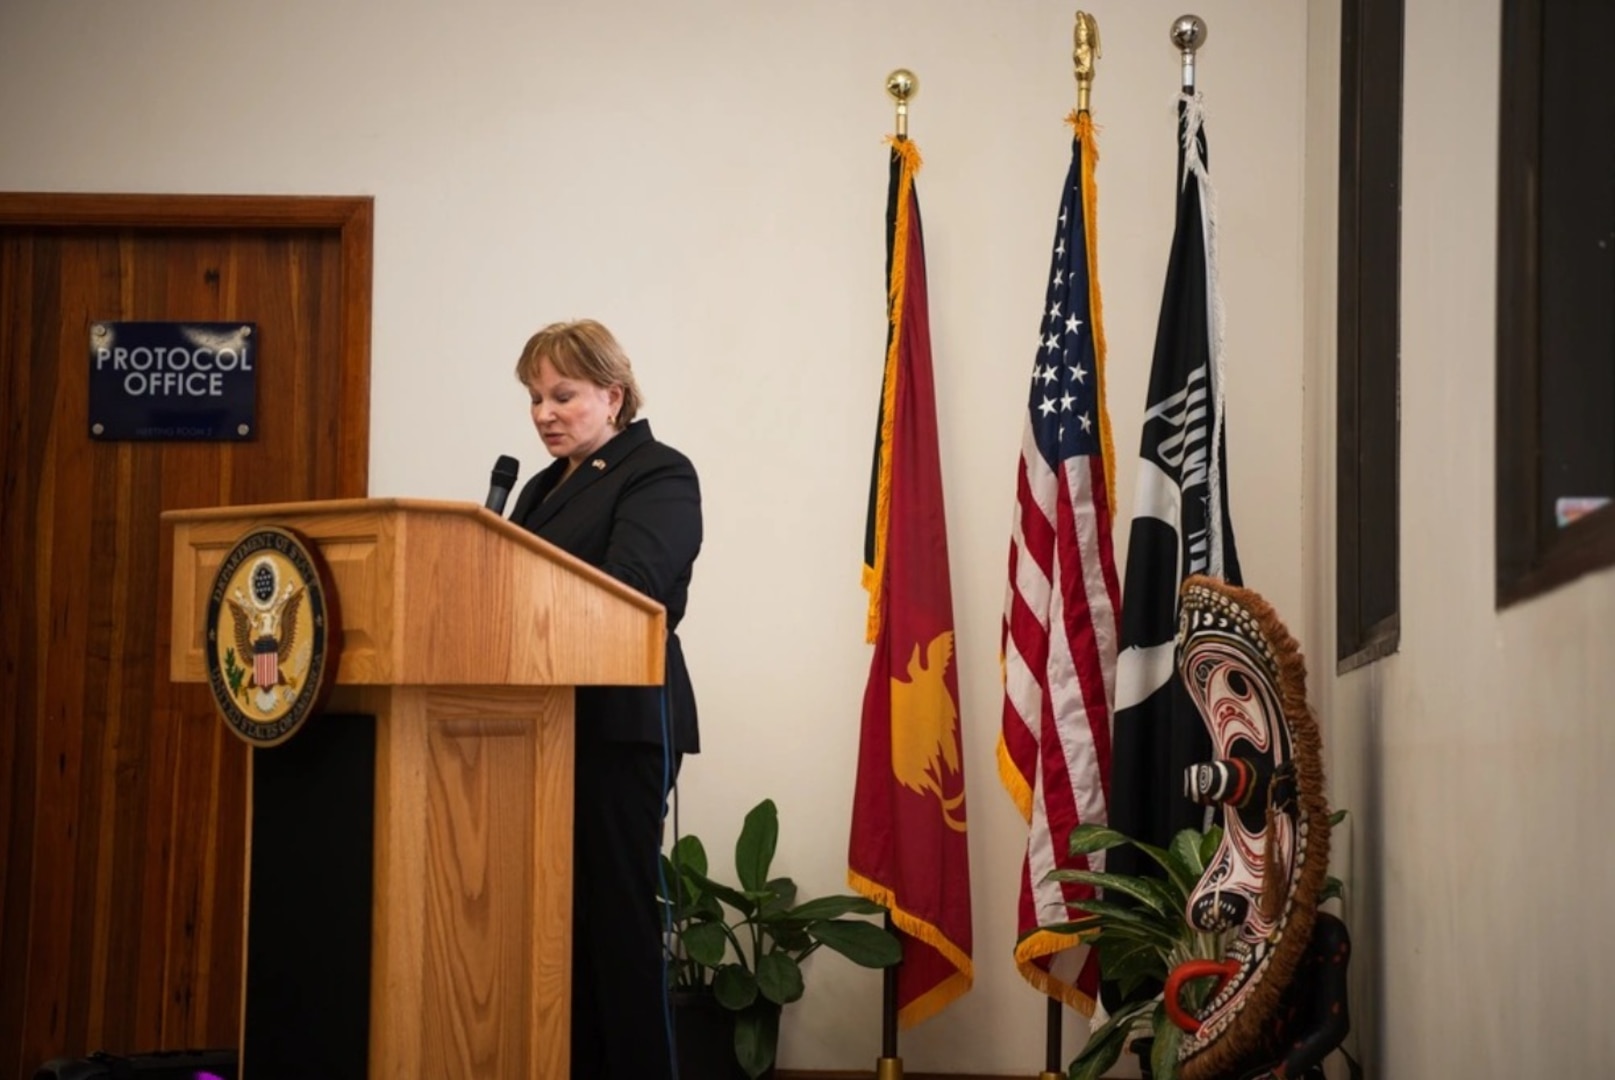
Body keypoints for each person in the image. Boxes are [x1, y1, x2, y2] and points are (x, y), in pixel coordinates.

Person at [506, 319, 702, 1080]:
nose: (544, 413)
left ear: (612, 395)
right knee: (559, 925)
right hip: (538, 723)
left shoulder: (657, 472)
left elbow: (634, 589)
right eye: (533, 398)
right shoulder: (538, 487)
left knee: (614, 921)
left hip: (621, 722)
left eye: (563, 395)